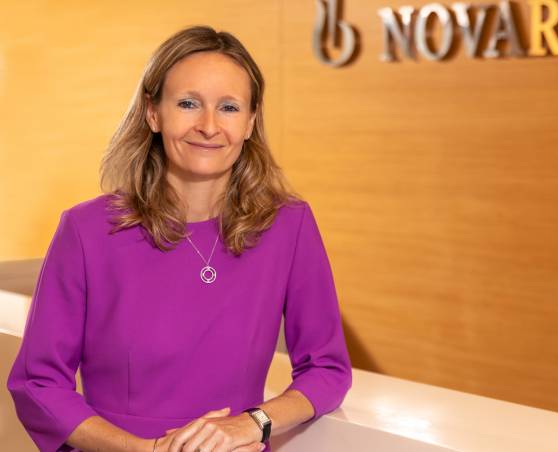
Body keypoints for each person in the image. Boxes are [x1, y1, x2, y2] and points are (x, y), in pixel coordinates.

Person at [6, 25, 352, 452]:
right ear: (153, 113)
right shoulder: (86, 230)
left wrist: (253, 423)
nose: (208, 126)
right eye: (188, 103)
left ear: (250, 122)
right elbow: (37, 384)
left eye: (228, 107)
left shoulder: (289, 225)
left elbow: (327, 369)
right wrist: (146, 450)